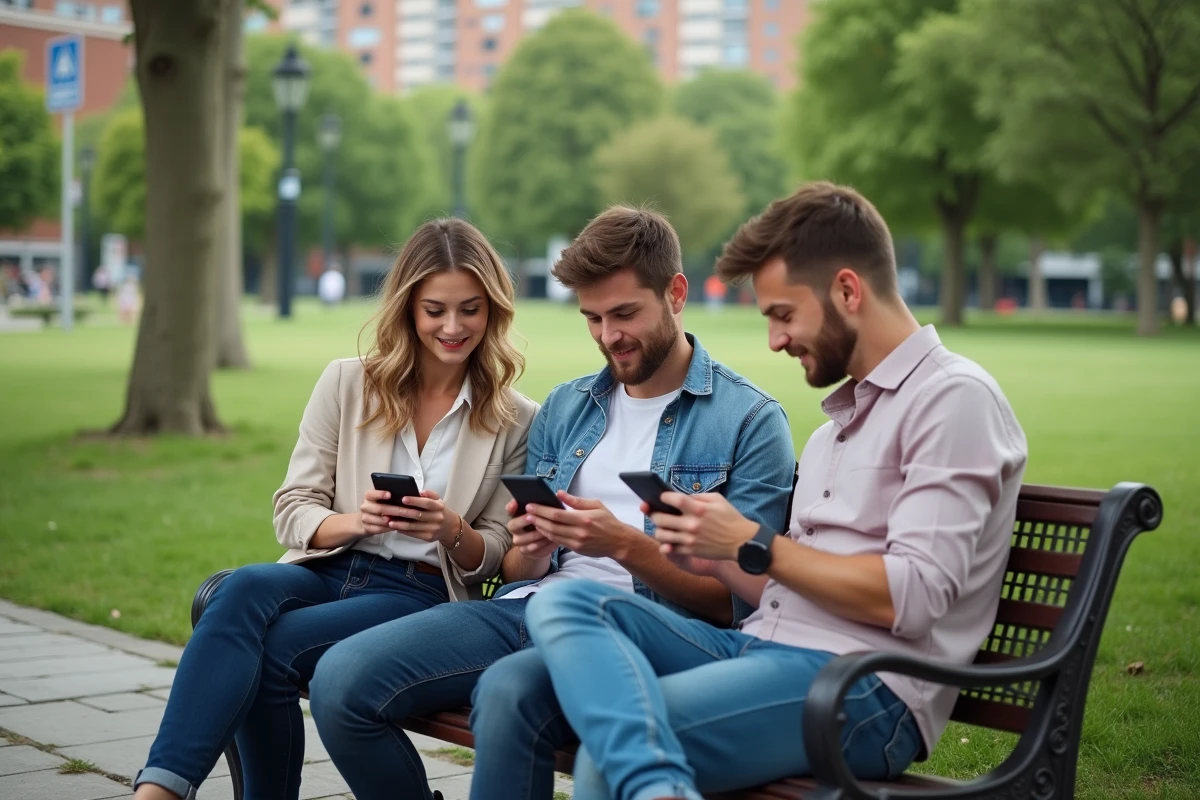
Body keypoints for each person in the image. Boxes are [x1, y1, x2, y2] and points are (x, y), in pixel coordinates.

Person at [521, 181, 1029, 800]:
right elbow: (779, 584)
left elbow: (916, 598)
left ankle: (655, 786)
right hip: (763, 649)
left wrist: (755, 542)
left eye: (783, 315)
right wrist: (713, 554)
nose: (775, 340)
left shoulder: (952, 399)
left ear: (846, 290)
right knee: (562, 605)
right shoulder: (834, 430)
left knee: (614, 753)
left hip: (865, 687)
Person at [308, 206, 797, 800]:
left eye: (624, 314)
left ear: (675, 293)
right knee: (340, 680)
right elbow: (515, 568)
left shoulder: (748, 420)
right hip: (524, 609)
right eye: (592, 317)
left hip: (637, 628)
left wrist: (623, 544)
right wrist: (534, 549)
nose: (608, 336)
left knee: (509, 692)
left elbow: (738, 605)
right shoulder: (568, 407)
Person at [131, 218, 537, 800]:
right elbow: (292, 507)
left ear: (493, 311)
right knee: (238, 588)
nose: (453, 327)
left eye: (470, 309)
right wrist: (356, 521)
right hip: (329, 567)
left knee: (269, 655)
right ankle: (161, 790)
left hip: (417, 592)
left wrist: (450, 529)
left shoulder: (515, 417)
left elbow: (496, 551)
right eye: (435, 310)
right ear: (408, 309)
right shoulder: (347, 384)